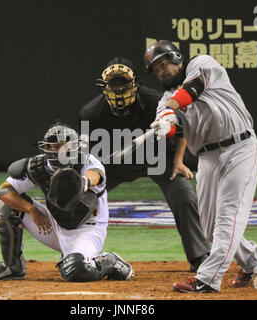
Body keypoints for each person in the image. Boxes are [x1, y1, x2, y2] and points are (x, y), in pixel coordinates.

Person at [144, 40, 257, 293]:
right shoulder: (164, 101)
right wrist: (165, 124)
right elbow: (171, 128)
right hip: (207, 158)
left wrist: (170, 110)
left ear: (177, 58)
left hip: (240, 148)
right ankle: (254, 260)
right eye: (156, 69)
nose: (161, 72)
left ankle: (208, 278)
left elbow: (192, 89)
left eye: (164, 64)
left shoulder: (202, 64)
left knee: (227, 217)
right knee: (210, 227)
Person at [79, 57, 211, 273]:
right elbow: (88, 156)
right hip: (114, 165)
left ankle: (200, 256)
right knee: (81, 198)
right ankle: (78, 254)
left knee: (184, 196)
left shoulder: (155, 101)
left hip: (157, 159)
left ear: (135, 84)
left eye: (124, 83)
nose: (120, 88)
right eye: (114, 84)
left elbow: (182, 130)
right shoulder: (90, 114)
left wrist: (178, 161)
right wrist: (87, 180)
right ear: (104, 87)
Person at [0, 121, 134, 282]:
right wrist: (32, 210)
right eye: (54, 145)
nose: (59, 149)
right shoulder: (40, 166)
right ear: (46, 147)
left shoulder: (88, 162)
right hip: (51, 225)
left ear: (74, 146)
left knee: (75, 270)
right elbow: (5, 191)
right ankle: (12, 267)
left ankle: (110, 261)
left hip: (88, 230)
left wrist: (83, 182)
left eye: (64, 145)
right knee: (6, 205)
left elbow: (95, 175)